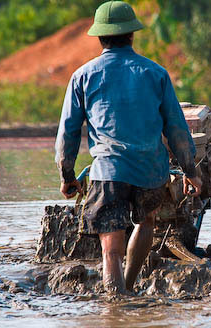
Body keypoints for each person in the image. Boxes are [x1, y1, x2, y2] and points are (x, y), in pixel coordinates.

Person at [54, 1, 202, 295]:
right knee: (145, 221)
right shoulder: (155, 73)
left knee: (110, 248)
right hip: (150, 170)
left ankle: (116, 297)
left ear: (99, 37)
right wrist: (191, 172)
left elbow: (68, 133)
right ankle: (130, 286)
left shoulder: (83, 76)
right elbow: (176, 129)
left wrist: (67, 175)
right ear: (131, 35)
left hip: (107, 171)